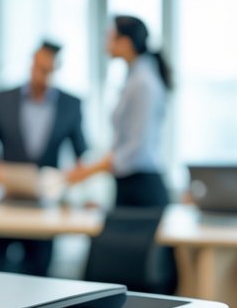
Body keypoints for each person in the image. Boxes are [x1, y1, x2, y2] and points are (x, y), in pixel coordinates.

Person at [0, 40, 87, 274]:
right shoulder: (4, 98)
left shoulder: (71, 104)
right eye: (38, 67)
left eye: (47, 70)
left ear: (56, 69)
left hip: (45, 204)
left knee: (38, 271)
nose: (40, 74)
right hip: (7, 199)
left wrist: (73, 182)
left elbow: (81, 153)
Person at [66, 15, 172, 207]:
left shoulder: (143, 83)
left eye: (110, 36)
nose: (105, 43)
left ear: (125, 42)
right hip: (128, 184)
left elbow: (136, 149)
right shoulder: (133, 78)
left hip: (142, 187)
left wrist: (90, 171)